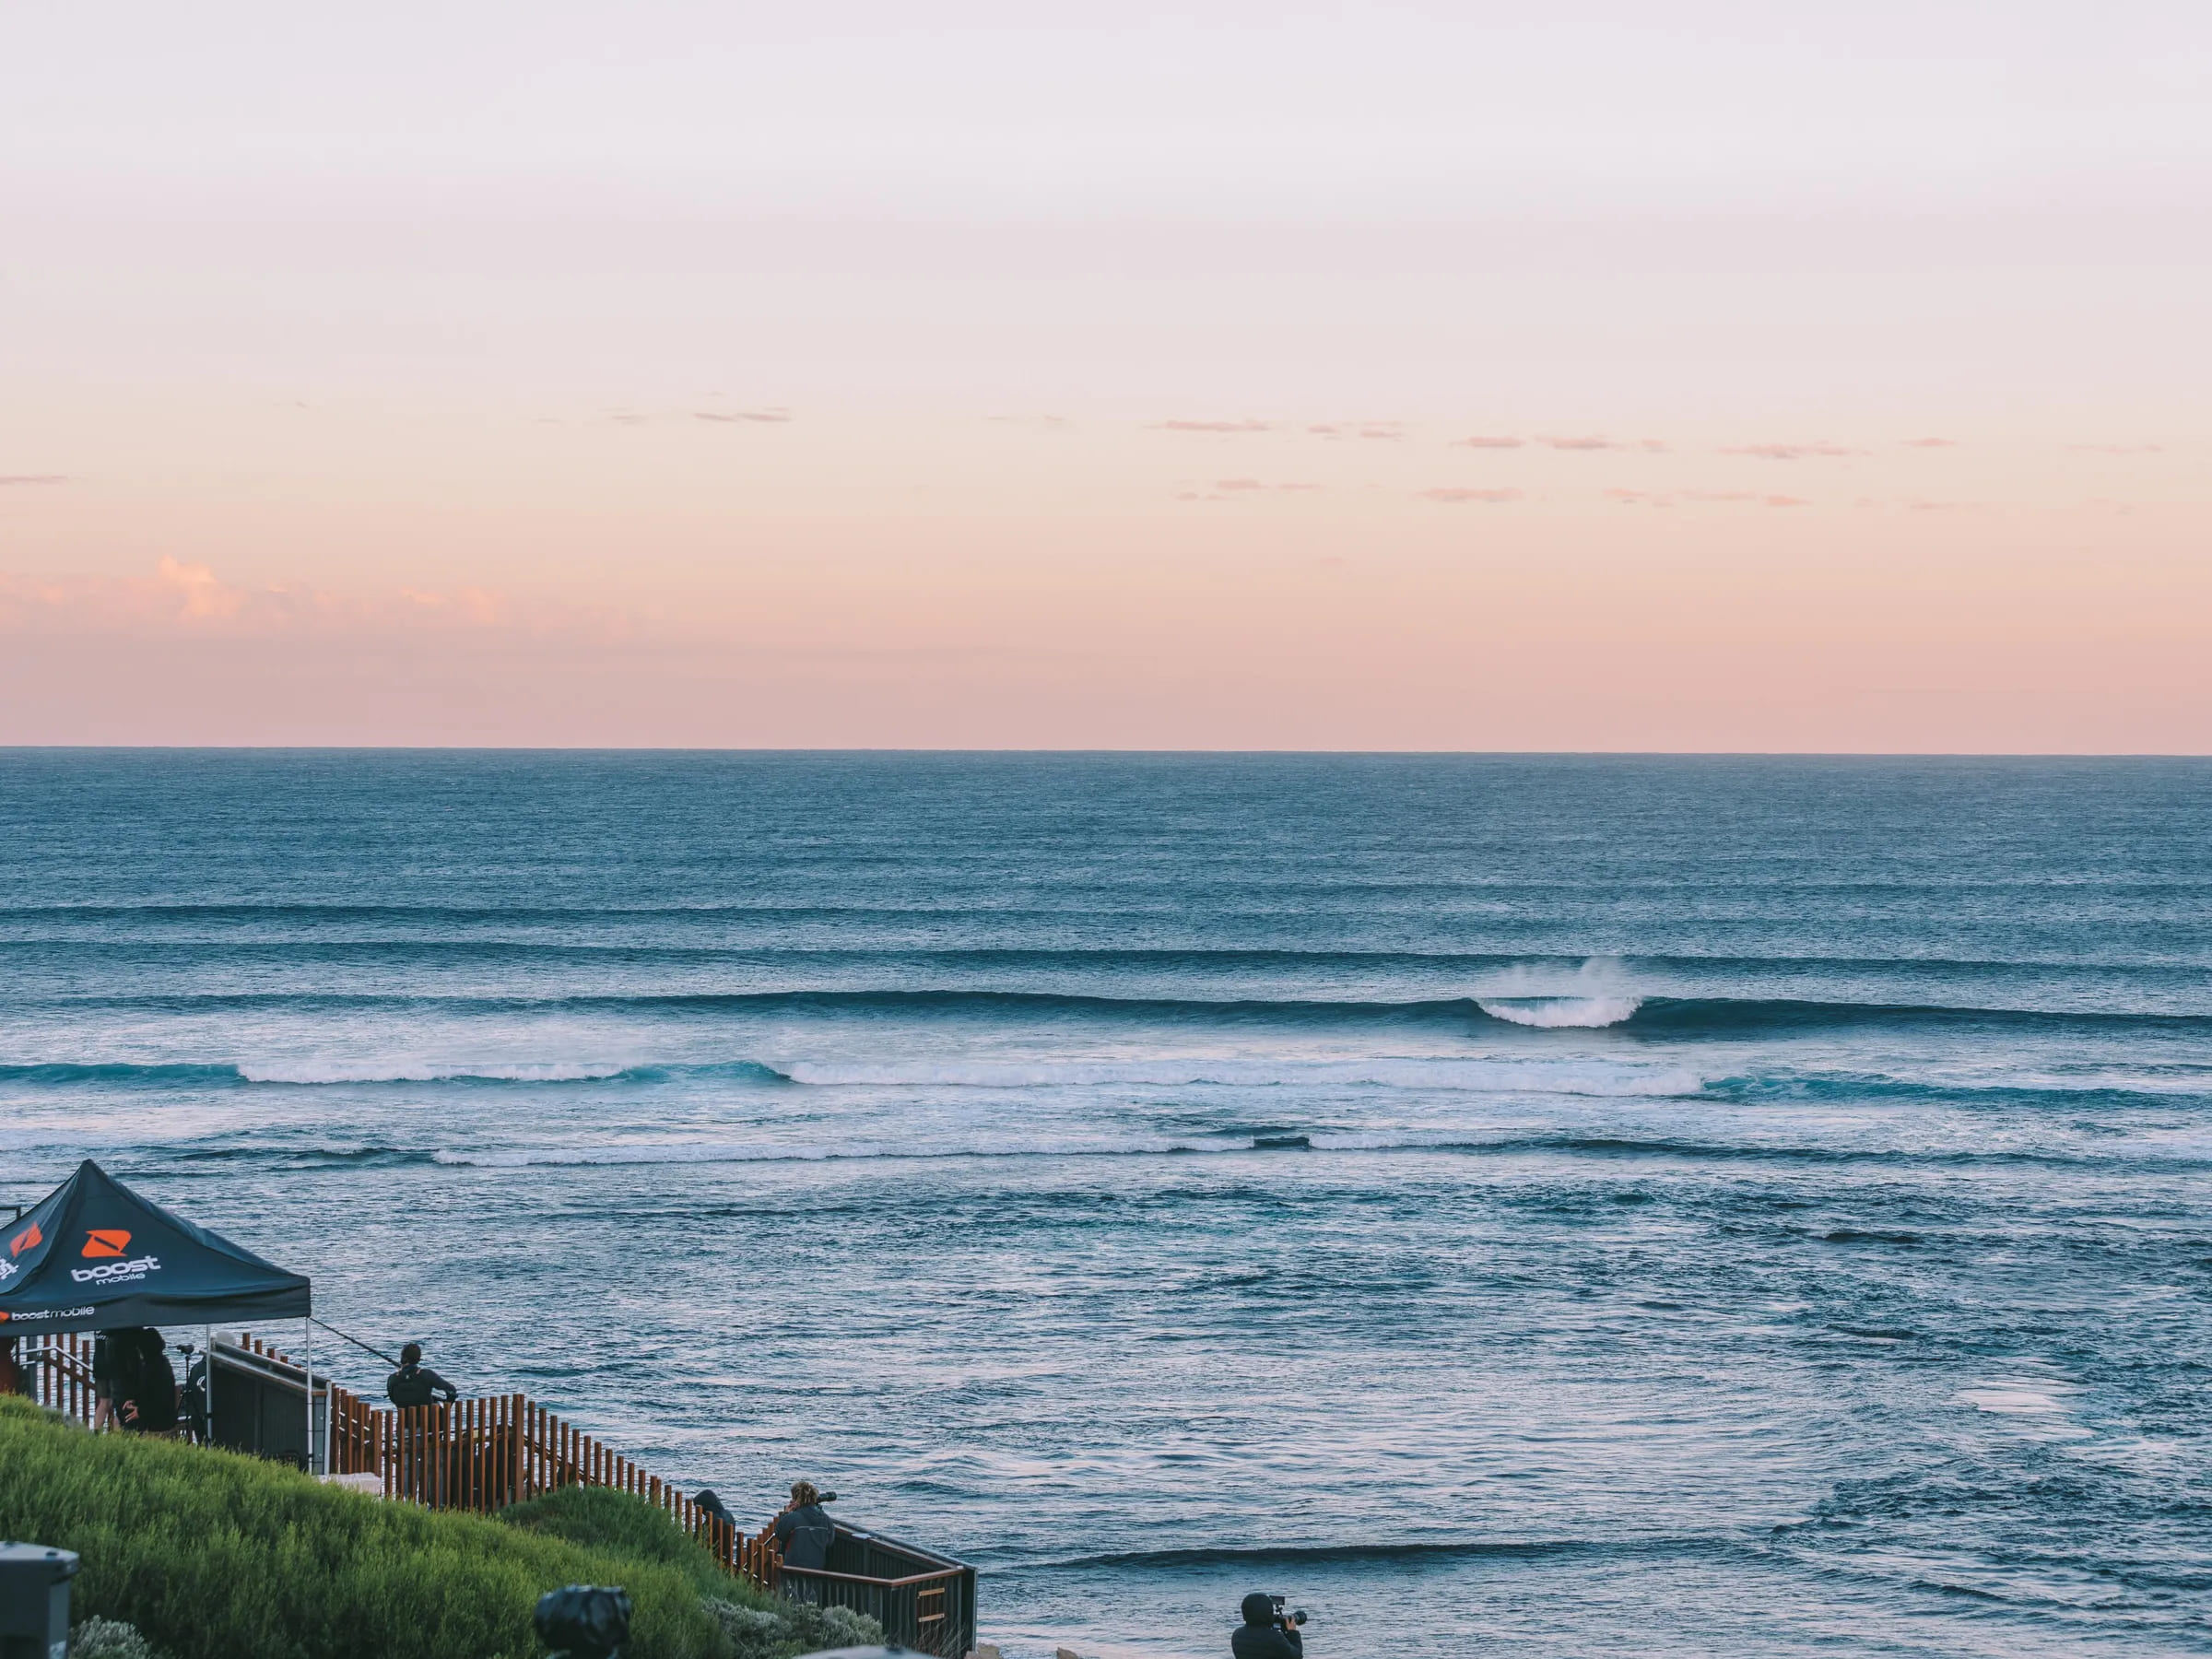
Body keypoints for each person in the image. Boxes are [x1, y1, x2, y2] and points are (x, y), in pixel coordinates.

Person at [115, 1330, 178, 1433]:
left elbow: (157, 1397)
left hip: (158, 1418)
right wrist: (135, 1400)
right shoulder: (160, 1362)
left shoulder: (154, 1368)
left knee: (122, 1421)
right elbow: (149, 1393)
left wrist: (140, 1412)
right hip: (159, 1414)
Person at [772, 1480, 835, 1571]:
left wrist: (786, 1514)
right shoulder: (826, 1519)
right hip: (818, 1569)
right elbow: (829, 1542)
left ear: (796, 1499)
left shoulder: (793, 1517)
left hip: (793, 1568)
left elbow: (780, 1534)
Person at [385, 1342, 460, 1408]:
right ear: (418, 1359)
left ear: (402, 1358)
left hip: (405, 1421)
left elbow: (393, 1399)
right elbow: (452, 1390)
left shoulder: (393, 1378)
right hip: (430, 1421)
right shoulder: (427, 1374)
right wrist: (446, 1409)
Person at [1231, 1593, 1304, 1659]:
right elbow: (1297, 1656)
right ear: (1268, 1612)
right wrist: (1292, 1632)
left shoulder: (1237, 1634)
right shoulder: (1274, 1637)